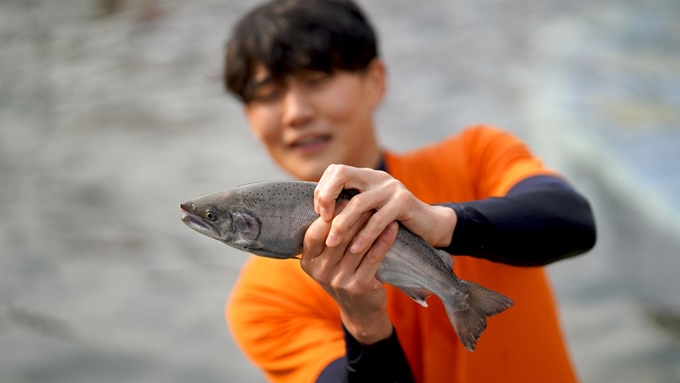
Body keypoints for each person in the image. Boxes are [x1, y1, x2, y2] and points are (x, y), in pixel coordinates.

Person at [222, 0, 596, 382]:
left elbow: (575, 222)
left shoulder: (474, 157)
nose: (295, 113)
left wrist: (440, 222)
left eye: (317, 80)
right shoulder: (263, 301)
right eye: (268, 94)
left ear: (376, 81)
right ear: (249, 118)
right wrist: (363, 323)